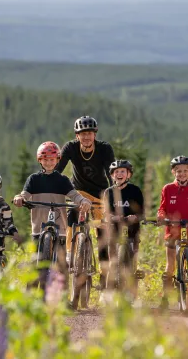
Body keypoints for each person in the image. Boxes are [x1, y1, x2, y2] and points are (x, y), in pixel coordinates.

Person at [13, 141, 91, 280]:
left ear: (57, 160)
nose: (49, 163)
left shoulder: (62, 180)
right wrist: (19, 198)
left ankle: (63, 297)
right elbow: (24, 194)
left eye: (52, 159)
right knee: (34, 265)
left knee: (61, 267)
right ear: (40, 160)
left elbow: (74, 195)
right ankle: (31, 295)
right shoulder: (34, 179)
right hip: (38, 228)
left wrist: (83, 201)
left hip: (59, 228)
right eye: (45, 159)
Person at [55, 116, 115, 292]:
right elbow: (58, 170)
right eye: (83, 134)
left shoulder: (104, 148)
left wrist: (112, 196)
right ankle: (69, 253)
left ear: (94, 134)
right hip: (79, 193)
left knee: (102, 233)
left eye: (89, 133)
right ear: (77, 135)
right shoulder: (71, 148)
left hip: (100, 194)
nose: (86, 137)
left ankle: (104, 278)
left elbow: (111, 173)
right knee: (72, 217)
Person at [103, 160, 145, 298]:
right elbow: (106, 212)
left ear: (129, 175)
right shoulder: (109, 192)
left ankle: (133, 292)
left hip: (132, 230)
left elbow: (141, 211)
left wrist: (135, 216)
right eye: (116, 172)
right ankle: (108, 292)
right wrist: (112, 217)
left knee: (132, 260)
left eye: (122, 171)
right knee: (113, 261)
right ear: (112, 176)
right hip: (114, 230)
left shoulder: (135, 190)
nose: (119, 174)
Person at [157, 155, 188, 310]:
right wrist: (161, 216)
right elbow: (162, 207)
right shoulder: (168, 188)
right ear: (173, 172)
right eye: (178, 171)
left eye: (185, 171)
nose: (182, 174)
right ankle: (165, 297)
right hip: (172, 231)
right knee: (170, 266)